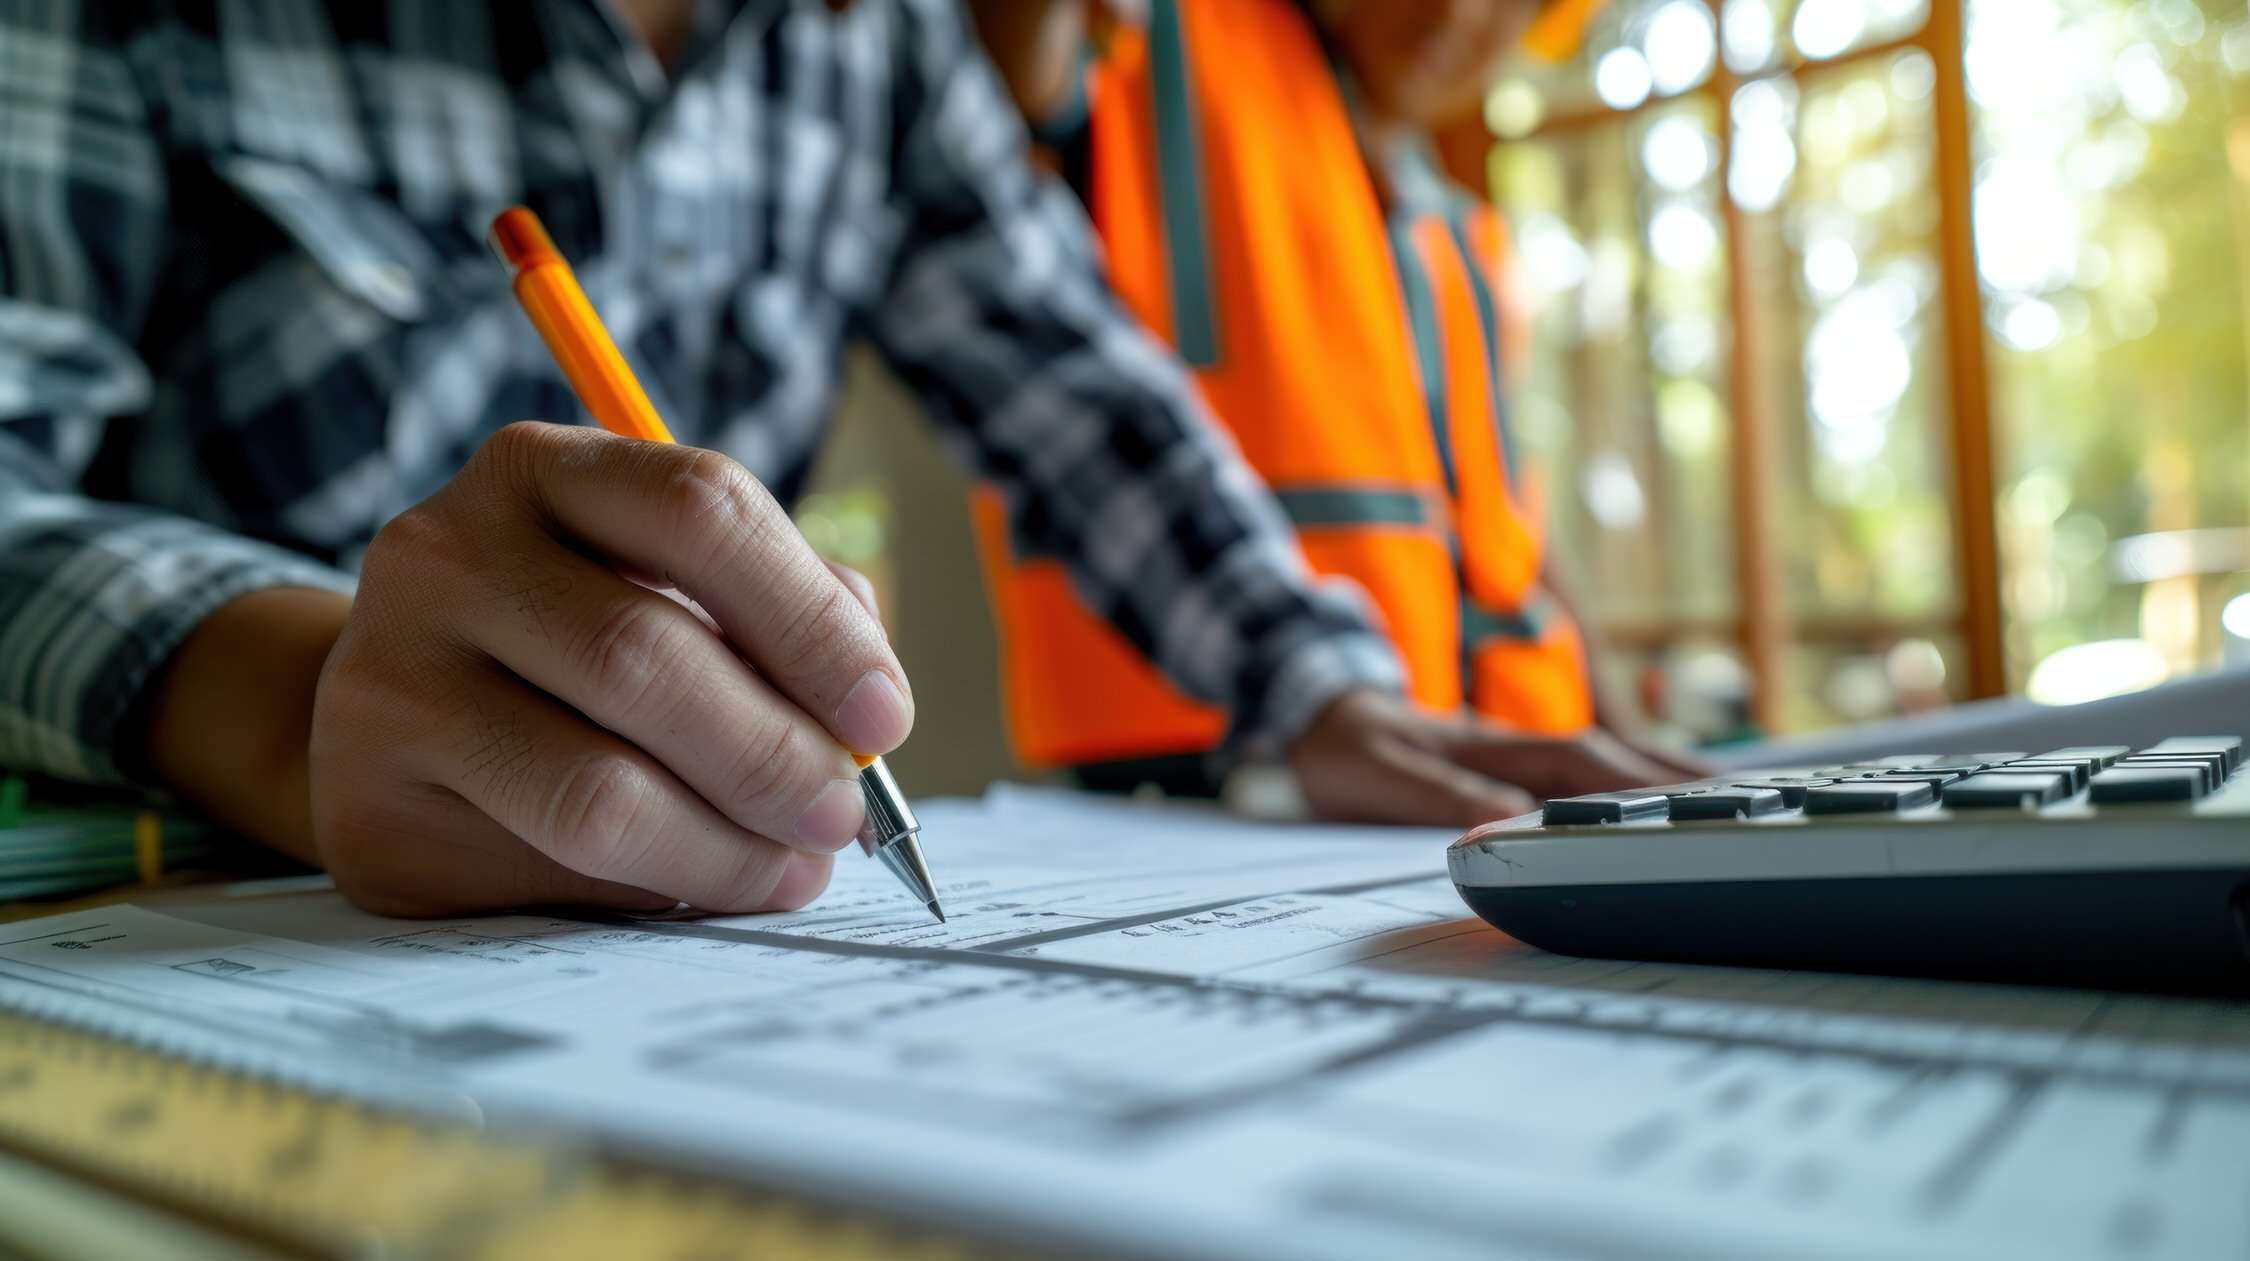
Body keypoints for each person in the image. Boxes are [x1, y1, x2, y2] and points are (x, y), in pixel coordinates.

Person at [0, 0, 1681, 921]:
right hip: (161, 908)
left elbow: (1090, 397)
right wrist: (297, 694)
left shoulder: (878, 47)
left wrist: (1322, 694)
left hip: (649, 931)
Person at [962, 0, 1698, 801]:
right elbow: (1008, 89)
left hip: (1473, 757)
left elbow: (1508, 530)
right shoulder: (1167, 42)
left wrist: (1625, 738)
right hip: (1208, 749)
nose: (1454, 17)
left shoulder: (1460, 244)